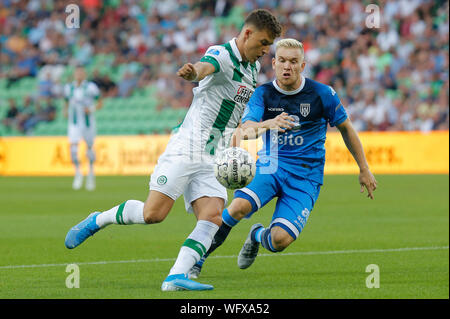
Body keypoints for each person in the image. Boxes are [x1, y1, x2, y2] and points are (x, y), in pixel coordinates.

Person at [64, 9, 283, 291]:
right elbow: (205, 67)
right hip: (188, 146)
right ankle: (98, 219)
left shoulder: (253, 70)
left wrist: (254, 133)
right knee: (152, 214)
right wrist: (194, 72)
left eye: (269, 46)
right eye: (263, 42)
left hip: (215, 155)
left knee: (214, 216)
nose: (265, 50)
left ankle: (175, 277)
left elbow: (236, 120)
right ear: (247, 33)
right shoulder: (222, 54)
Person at [188, 38, 378, 279]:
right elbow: (244, 130)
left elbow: (347, 128)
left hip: (306, 177)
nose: (288, 66)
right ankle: (197, 259)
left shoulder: (323, 94)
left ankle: (257, 235)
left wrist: (364, 169)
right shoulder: (263, 94)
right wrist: (269, 123)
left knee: (279, 241)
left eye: (294, 62)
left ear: (302, 65)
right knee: (238, 207)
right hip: (271, 166)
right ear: (275, 63)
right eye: (283, 61)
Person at [63, 66, 103, 191]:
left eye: (81, 72)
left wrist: (90, 109)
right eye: (77, 72)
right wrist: (65, 110)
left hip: (88, 123)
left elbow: (100, 102)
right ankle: (78, 173)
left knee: (89, 149)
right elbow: (66, 102)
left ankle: (91, 173)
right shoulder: (69, 88)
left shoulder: (91, 87)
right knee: (73, 150)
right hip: (74, 123)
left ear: (84, 74)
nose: (79, 74)